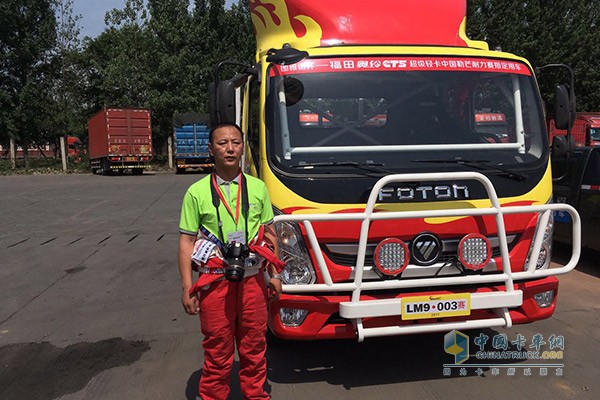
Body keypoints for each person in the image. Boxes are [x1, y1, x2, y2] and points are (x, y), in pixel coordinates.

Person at [178, 123, 283, 400]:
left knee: (254, 347)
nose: (230, 148)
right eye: (222, 143)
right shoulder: (197, 192)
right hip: (215, 283)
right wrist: (188, 288)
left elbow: (269, 234)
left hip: (253, 282)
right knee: (217, 349)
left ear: (242, 148)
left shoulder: (258, 188)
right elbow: (186, 242)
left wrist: (275, 275)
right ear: (211, 149)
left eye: (235, 142)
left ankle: (256, 395)